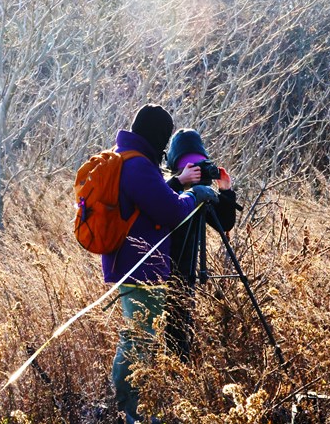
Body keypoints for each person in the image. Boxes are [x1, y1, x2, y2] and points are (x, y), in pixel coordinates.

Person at [103, 105, 217, 424]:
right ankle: (132, 410)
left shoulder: (127, 157)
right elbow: (170, 212)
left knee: (140, 337)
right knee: (139, 338)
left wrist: (182, 186)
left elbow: (154, 201)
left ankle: (140, 407)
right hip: (140, 266)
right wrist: (197, 196)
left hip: (135, 264)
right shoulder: (138, 165)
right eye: (164, 139)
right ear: (158, 137)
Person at [164, 128, 238, 362]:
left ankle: (181, 366)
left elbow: (225, 222)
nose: (196, 170)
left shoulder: (201, 193)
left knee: (182, 319)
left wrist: (225, 190)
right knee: (169, 323)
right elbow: (157, 204)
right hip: (162, 269)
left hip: (188, 270)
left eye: (199, 165)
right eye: (189, 166)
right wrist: (179, 183)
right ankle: (171, 368)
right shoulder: (167, 186)